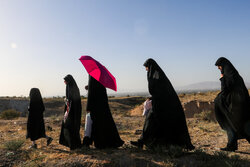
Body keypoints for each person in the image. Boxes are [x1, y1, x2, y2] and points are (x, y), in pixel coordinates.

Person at [131, 58, 194, 150]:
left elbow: (160, 90)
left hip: (164, 104)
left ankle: (143, 142)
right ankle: (145, 142)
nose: (146, 70)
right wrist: (152, 98)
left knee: (151, 120)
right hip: (161, 102)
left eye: (147, 67)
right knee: (154, 122)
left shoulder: (156, 75)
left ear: (150, 67)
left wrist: (154, 98)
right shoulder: (157, 74)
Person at [214, 57, 250, 151]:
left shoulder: (228, 77)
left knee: (232, 124)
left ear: (223, 66)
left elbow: (224, 91)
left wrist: (222, 79)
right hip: (242, 106)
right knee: (241, 126)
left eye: (220, 67)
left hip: (233, 108)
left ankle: (231, 145)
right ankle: (231, 145)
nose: (219, 70)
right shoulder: (236, 76)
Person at [82, 75, 124, 149]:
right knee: (105, 124)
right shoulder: (100, 81)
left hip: (96, 108)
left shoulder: (92, 78)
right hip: (103, 107)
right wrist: (89, 87)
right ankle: (110, 143)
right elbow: (97, 91)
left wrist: (88, 107)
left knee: (97, 125)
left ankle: (100, 143)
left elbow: (92, 95)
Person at [59, 74, 82, 150]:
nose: (64, 82)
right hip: (70, 111)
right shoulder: (70, 87)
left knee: (72, 127)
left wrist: (67, 100)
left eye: (65, 81)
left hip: (73, 112)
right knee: (69, 127)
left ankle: (74, 145)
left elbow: (73, 101)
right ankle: (71, 144)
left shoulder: (73, 88)